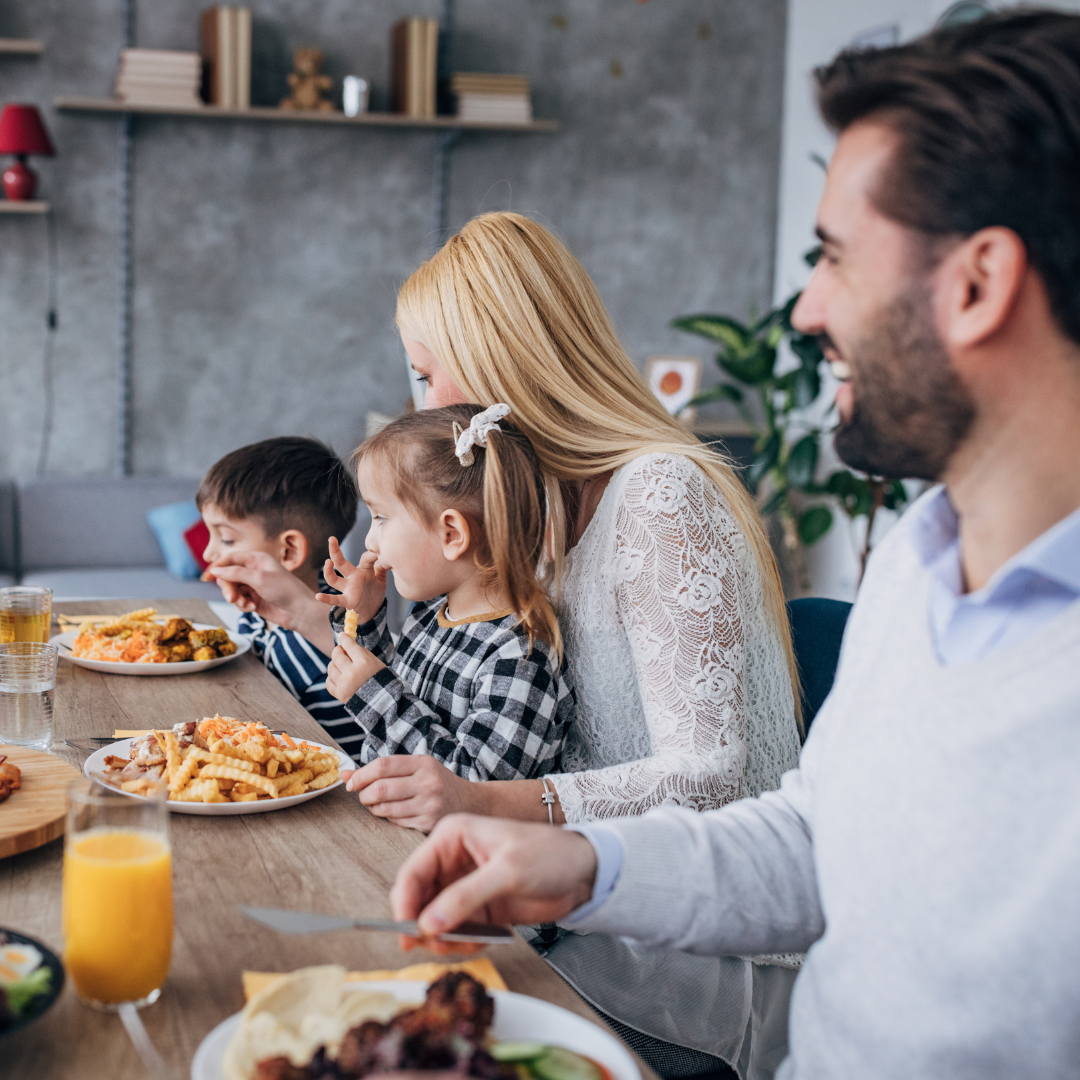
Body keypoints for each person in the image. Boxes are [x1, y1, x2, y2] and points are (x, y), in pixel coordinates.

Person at [388, 11, 1080, 1078]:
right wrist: (578, 864)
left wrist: (508, 810)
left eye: (836, 259)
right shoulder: (923, 553)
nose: (804, 310)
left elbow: (719, 780)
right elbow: (814, 836)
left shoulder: (663, 496)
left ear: (978, 284)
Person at [210, 212, 803, 1075]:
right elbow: (453, 683)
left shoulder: (663, 497)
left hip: (684, 945)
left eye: (423, 374)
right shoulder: (544, 505)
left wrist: (485, 803)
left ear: (501, 360)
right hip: (574, 901)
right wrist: (317, 615)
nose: (418, 405)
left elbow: (707, 775)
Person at [321, 403, 574, 787]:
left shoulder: (519, 655)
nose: (371, 542)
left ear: (452, 534)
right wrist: (368, 617)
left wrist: (374, 694)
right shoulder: (431, 612)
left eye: (381, 518)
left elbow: (476, 786)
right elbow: (405, 695)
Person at [198, 437, 364, 750]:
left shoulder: (335, 633)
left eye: (226, 540)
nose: (208, 553)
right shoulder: (257, 610)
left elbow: (260, 718)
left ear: (288, 550)